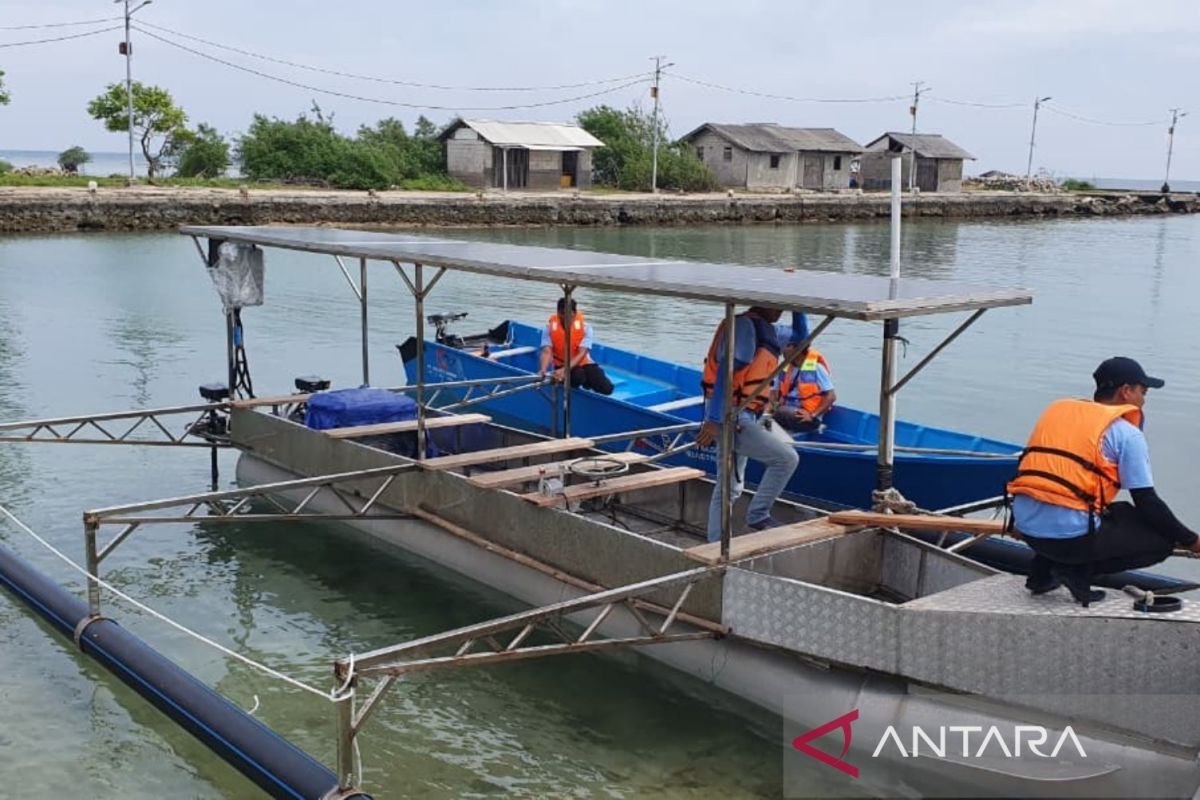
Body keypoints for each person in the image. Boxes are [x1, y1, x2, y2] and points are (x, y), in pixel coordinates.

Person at [1008, 356, 1200, 606]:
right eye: (1143, 391)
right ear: (1126, 391)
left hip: (1025, 527)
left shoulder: (1059, 414)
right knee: (1161, 541)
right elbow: (1147, 502)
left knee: (1120, 510)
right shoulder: (1126, 434)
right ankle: (1075, 571)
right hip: (1068, 540)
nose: (1144, 399)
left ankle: (1041, 573)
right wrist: (1192, 541)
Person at [695, 307, 803, 542]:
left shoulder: (771, 330)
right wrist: (714, 420)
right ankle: (758, 514)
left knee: (729, 486)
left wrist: (798, 306)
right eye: (778, 305)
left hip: (747, 415)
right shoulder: (744, 326)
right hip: (731, 415)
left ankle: (715, 542)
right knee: (786, 458)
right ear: (762, 303)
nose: (781, 312)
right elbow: (727, 371)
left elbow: (800, 339)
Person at [537, 298, 613, 395]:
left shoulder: (586, 328)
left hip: (582, 362)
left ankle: (587, 382)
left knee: (607, 389)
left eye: (569, 314)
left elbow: (582, 353)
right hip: (561, 364)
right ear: (558, 313)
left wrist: (565, 370)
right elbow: (546, 351)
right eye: (562, 313)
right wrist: (543, 369)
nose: (566, 318)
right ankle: (572, 382)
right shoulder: (548, 328)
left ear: (575, 313)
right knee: (578, 376)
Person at [772, 340, 836, 433]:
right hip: (784, 410)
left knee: (782, 411)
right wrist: (772, 407)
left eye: (788, 345)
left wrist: (812, 415)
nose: (783, 348)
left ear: (796, 349)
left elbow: (831, 396)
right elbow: (773, 392)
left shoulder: (816, 368)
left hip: (807, 418)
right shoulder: (784, 368)